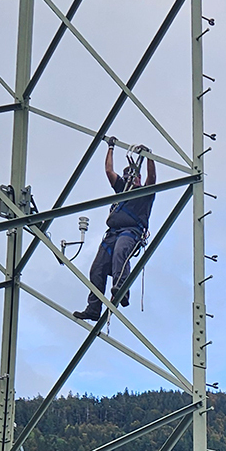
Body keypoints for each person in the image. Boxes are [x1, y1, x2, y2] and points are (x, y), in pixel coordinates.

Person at [70, 137, 156, 321]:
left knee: (120, 252)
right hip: (112, 233)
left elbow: (152, 178)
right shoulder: (122, 189)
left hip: (131, 232)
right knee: (97, 268)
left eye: (133, 176)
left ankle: (121, 290)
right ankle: (93, 308)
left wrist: (149, 157)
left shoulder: (145, 194)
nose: (129, 179)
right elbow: (109, 171)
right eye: (127, 176)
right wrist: (110, 148)